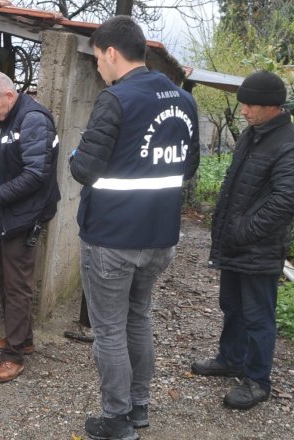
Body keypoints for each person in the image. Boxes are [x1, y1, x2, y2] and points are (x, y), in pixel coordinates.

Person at [69, 16, 199, 440]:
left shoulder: (117, 99)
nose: (98, 70)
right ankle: (139, 406)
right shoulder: (184, 100)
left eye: (97, 60)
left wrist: (74, 156)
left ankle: (116, 420)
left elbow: (84, 169)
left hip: (111, 237)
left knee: (109, 329)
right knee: (138, 318)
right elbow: (189, 166)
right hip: (159, 236)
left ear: (111, 52)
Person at [191, 70, 294, 411]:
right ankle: (231, 359)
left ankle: (257, 380)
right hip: (236, 244)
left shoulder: (291, 143)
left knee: (259, 316)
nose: (243, 111)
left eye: (250, 105)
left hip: (259, 249)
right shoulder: (252, 134)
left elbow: (285, 202)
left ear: (273, 106)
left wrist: (243, 230)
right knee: (232, 306)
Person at [0, 70, 61, 384]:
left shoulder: (33, 120)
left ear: (9, 95)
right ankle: (22, 337)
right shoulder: (0, 117)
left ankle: (14, 355)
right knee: (3, 277)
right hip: (3, 213)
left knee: (17, 285)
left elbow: (36, 174)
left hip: (24, 215)